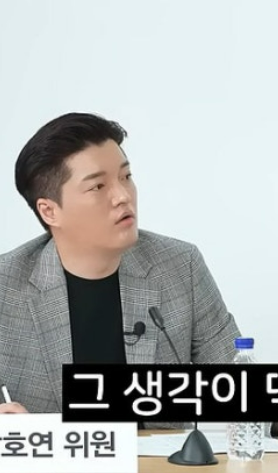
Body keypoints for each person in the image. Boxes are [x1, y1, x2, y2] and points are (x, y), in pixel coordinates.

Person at [0, 112, 242, 429]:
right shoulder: (6, 285)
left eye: (126, 177)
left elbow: (238, 387)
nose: (123, 196)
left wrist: (277, 420)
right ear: (50, 211)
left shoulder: (180, 266)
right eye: (98, 186)